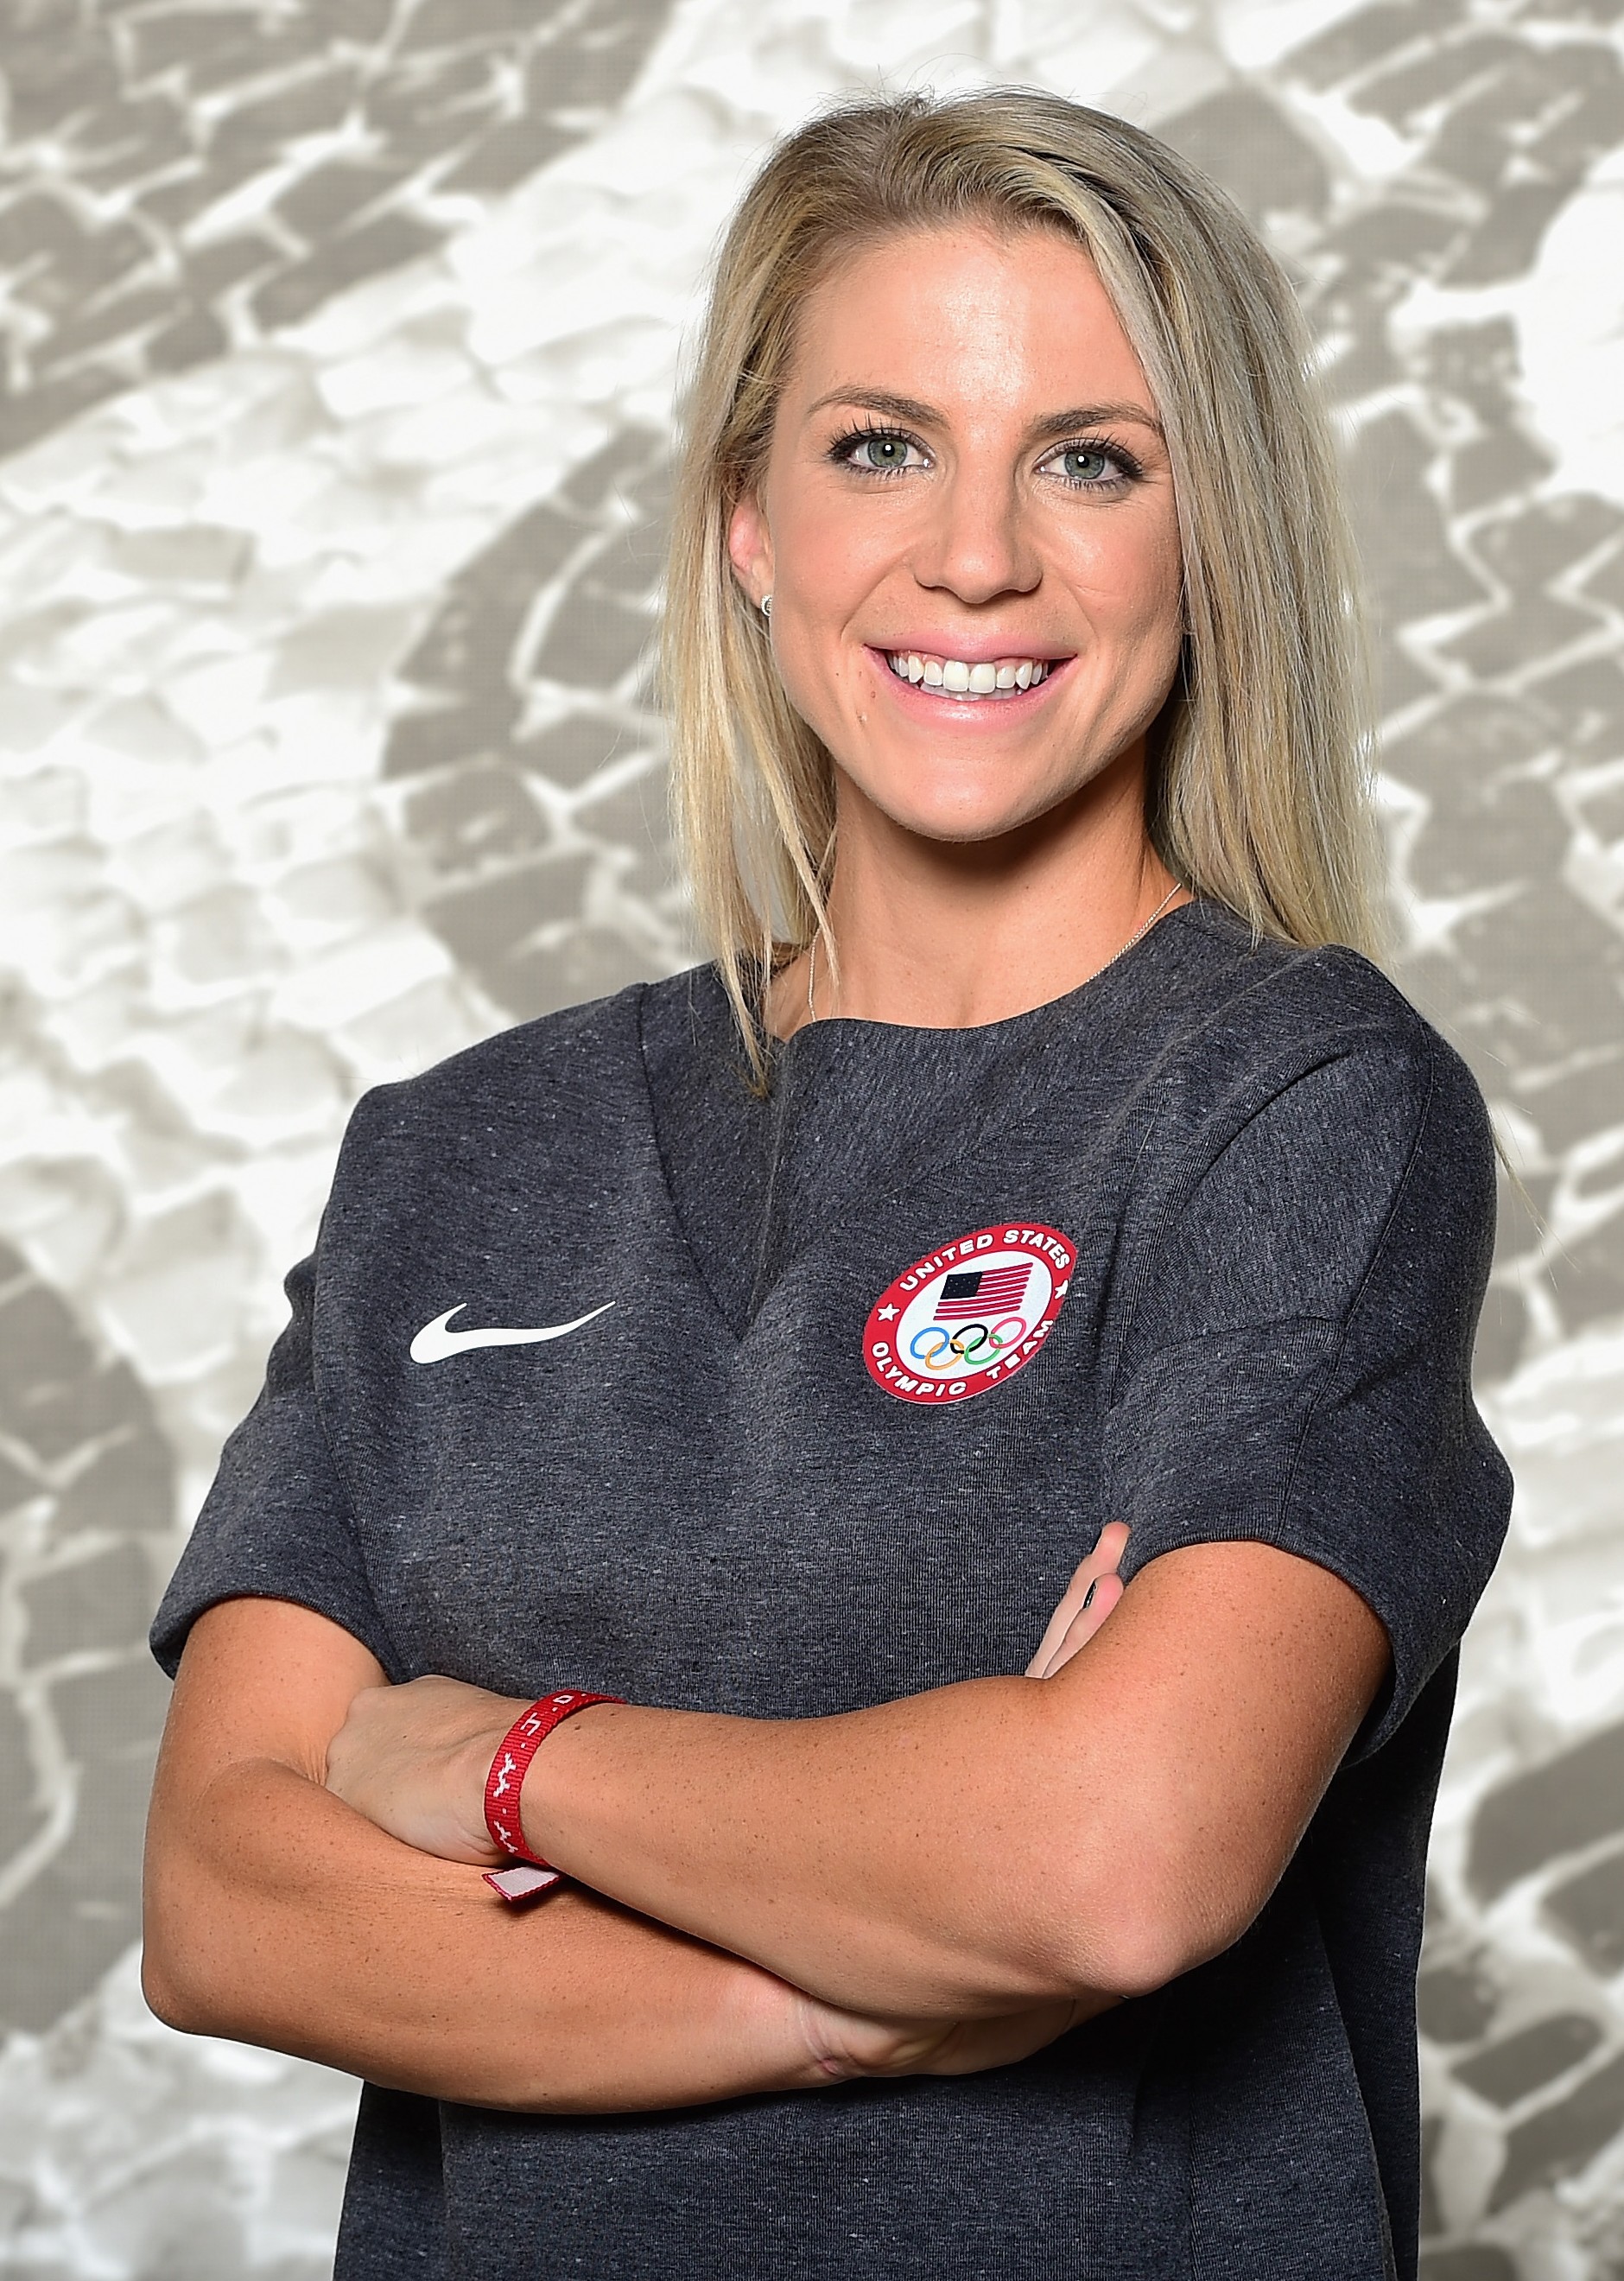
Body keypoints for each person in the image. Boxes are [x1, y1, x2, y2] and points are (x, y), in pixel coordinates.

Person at [142, 89, 1512, 2281]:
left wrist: (491, 1761)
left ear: (1208, 533)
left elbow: (1117, 1866)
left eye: (1092, 456)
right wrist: (856, 1997)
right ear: (748, 522)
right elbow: (223, 1905)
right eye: (882, 444)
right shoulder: (457, 1153)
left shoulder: (1300, 1107)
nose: (974, 553)